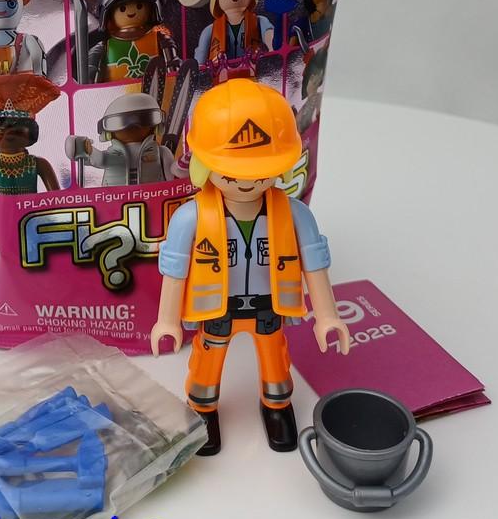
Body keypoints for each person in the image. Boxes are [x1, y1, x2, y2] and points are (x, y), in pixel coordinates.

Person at [150, 80, 350, 454]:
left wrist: (327, 316)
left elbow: (314, 265)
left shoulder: (294, 214)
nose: (246, 183)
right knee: (206, 365)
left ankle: (277, 407)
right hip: (216, 309)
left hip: (268, 307)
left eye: (261, 173)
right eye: (231, 173)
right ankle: (202, 411)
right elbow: (175, 271)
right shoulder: (190, 218)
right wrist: (167, 321)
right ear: (203, 164)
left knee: (275, 363)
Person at [0, 73, 60, 196]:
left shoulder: (39, 164)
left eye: (18, 123)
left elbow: (56, 199)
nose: (8, 129)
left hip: (31, 209)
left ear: (31, 130)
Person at [64, 93, 183, 186]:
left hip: (155, 197)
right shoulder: (110, 156)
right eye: (120, 122)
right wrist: (85, 150)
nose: (133, 126)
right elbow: (99, 159)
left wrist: (182, 169)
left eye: (143, 119)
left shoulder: (162, 153)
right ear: (108, 132)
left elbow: (172, 176)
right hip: (115, 200)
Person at [82, 0, 179, 83]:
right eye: (122, 8)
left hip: (156, 89)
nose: (131, 11)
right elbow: (90, 73)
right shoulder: (104, 47)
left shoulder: (160, 38)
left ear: (152, 9)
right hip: (114, 92)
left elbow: (173, 66)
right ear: (109, 15)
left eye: (139, 6)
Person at [194, 0, 274, 77]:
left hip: (252, 76)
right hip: (221, 80)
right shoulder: (210, 31)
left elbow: (269, 37)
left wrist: (272, 46)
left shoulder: (259, 22)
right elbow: (200, 60)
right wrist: (197, 71)